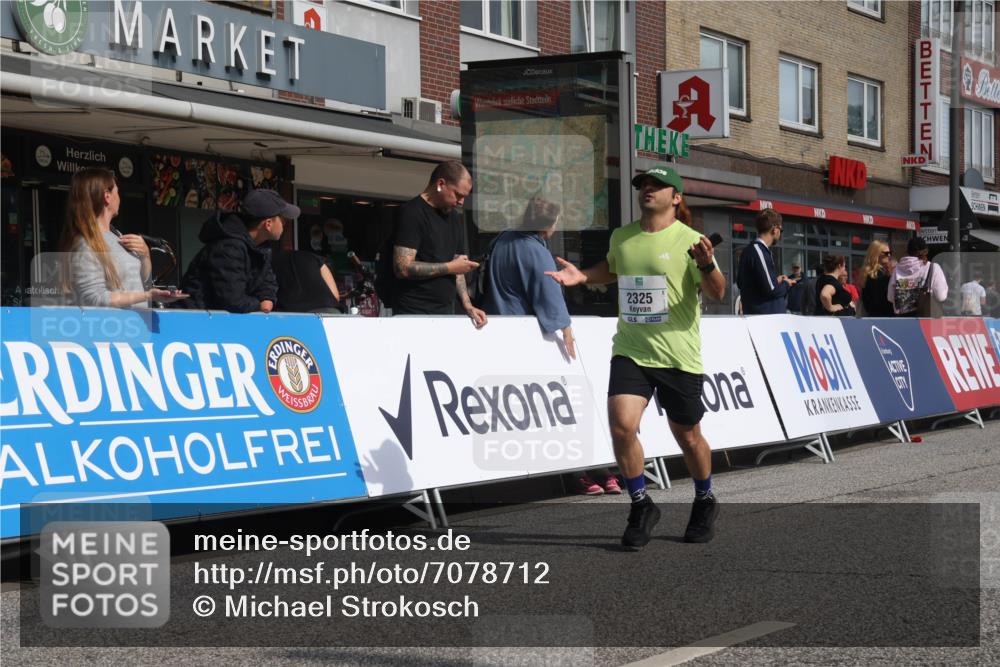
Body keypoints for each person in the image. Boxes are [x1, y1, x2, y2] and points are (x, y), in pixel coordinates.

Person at [546, 166, 726, 548]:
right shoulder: (623, 236)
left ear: (676, 197)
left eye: (657, 186)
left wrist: (707, 264)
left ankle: (705, 498)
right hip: (631, 349)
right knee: (622, 426)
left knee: (689, 437)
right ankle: (641, 504)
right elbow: (611, 269)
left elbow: (718, 292)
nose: (647, 189)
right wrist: (583, 277)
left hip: (678, 354)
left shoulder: (691, 240)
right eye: (644, 185)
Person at [60, 167, 188, 309]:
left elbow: (142, 284)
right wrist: (147, 296)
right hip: (113, 328)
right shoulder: (85, 245)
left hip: (137, 326)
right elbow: (94, 298)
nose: (119, 197)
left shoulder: (118, 235)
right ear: (107, 196)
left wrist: (145, 256)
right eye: (117, 192)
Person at [391, 160, 487, 328]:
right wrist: (450, 267)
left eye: (465, 197)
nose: (461, 202)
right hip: (414, 313)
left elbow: (459, 266)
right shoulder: (412, 213)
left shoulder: (454, 218)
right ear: (441, 184)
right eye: (458, 195)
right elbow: (402, 267)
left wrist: (467, 305)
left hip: (445, 311)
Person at [482, 196, 575, 358]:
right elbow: (549, 295)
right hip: (520, 330)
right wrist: (566, 328)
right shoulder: (538, 253)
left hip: (491, 324)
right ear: (546, 226)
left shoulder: (502, 238)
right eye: (555, 222)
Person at [178, 189, 292, 313]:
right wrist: (259, 305)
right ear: (268, 224)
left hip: (219, 323)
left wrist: (267, 299)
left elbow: (268, 282)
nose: (285, 223)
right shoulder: (228, 247)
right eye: (282, 219)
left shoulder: (262, 247)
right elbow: (233, 300)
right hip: (196, 321)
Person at [735, 209, 794, 314]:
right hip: (766, 319)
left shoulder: (751, 250)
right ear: (775, 229)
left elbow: (742, 283)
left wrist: (775, 281)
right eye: (781, 230)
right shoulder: (759, 251)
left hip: (759, 317)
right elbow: (771, 290)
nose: (780, 234)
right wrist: (786, 284)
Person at [888, 237, 948, 317]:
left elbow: (890, 297)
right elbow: (941, 296)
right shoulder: (933, 267)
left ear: (908, 251)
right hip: (926, 320)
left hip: (902, 321)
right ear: (926, 251)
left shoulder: (897, 269)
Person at [271, 248, 341, 313]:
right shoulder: (316, 258)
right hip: (328, 311)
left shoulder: (271, 262)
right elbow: (335, 295)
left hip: (291, 314)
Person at [858, 240, 895, 317]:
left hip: (873, 317)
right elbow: (884, 301)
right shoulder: (878, 275)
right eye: (886, 253)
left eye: (890, 253)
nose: (889, 256)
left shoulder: (869, 273)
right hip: (884, 318)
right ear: (876, 254)